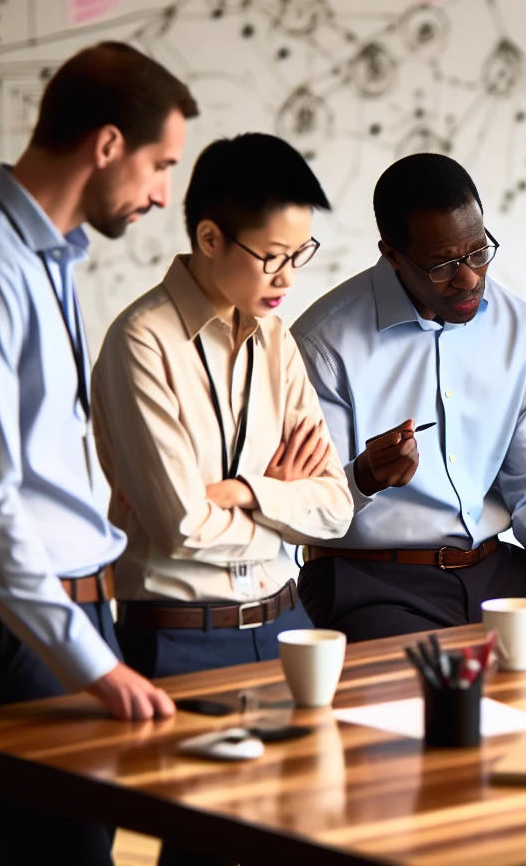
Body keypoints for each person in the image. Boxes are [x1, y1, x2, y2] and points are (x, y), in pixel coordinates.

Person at [0, 41, 195, 866]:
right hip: (7, 629)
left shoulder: (47, 256)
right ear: (106, 146)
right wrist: (91, 666)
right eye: (159, 164)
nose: (162, 193)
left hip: (44, 616)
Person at [291, 152, 526, 640]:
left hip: (497, 573)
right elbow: (304, 511)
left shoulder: (514, 326)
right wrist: (364, 478)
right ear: (391, 255)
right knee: (414, 706)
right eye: (443, 266)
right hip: (372, 580)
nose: (470, 277)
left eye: (479, 252)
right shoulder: (324, 345)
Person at [91, 132, 352, 686]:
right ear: (210, 238)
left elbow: (334, 510)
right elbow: (181, 526)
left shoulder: (276, 341)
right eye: (273, 257)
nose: (288, 277)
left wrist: (245, 493)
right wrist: (283, 508)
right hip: (181, 635)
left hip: (288, 621)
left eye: (300, 255)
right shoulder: (142, 342)